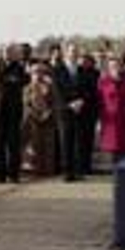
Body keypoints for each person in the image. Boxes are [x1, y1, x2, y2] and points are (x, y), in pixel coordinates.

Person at [0, 46, 26, 183]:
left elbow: (22, 81)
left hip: (14, 110)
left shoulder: (19, 66)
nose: (8, 54)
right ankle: (0, 175)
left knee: (14, 145)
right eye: (5, 52)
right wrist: (9, 79)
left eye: (10, 52)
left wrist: (6, 80)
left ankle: (14, 174)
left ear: (14, 54)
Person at [55, 46, 90, 181]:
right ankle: (67, 172)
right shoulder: (58, 70)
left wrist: (81, 101)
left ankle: (78, 171)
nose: (73, 54)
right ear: (66, 54)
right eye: (71, 52)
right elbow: (56, 91)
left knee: (79, 142)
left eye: (75, 52)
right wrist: (69, 104)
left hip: (80, 110)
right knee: (66, 142)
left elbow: (87, 89)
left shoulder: (82, 70)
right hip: (65, 111)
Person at [97, 56, 125, 164]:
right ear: (108, 68)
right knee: (113, 149)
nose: (115, 68)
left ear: (121, 67)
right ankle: (115, 171)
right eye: (112, 66)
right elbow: (99, 101)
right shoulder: (103, 82)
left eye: (117, 65)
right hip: (110, 121)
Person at [23, 63, 58, 177]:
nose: (38, 75)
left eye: (40, 72)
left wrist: (48, 113)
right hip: (33, 120)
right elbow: (26, 105)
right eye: (35, 72)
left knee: (48, 144)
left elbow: (55, 102)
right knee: (35, 145)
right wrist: (36, 115)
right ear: (31, 74)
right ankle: (36, 170)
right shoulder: (27, 88)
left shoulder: (50, 87)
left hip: (48, 119)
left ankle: (48, 170)